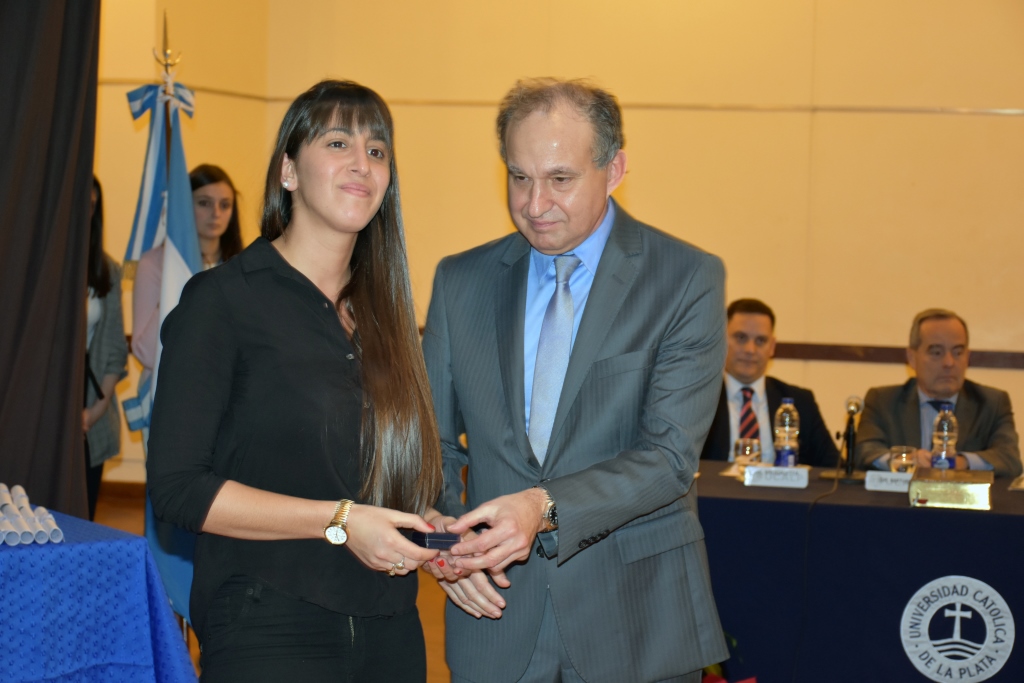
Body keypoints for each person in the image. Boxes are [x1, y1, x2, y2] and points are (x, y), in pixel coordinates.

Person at [421, 78, 729, 683]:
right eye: (519, 177)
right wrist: (449, 545)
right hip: (495, 614)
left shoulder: (685, 278)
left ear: (614, 170)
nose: (535, 204)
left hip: (635, 619)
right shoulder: (461, 281)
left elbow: (669, 458)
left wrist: (543, 507)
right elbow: (429, 443)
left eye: (560, 178)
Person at [147, 80, 444, 681]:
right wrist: (340, 521)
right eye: (337, 143)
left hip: (390, 626)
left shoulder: (388, 317)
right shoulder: (222, 301)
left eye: (377, 151)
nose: (362, 163)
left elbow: (360, 474)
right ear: (288, 171)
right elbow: (178, 488)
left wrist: (423, 524)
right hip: (268, 622)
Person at [855, 308, 1022, 477]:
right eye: (936, 352)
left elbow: (1009, 459)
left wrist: (961, 462)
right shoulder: (883, 401)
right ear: (912, 357)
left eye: (958, 352)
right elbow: (864, 451)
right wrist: (904, 460)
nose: (949, 362)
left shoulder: (992, 403)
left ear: (967, 357)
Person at [131, 163, 243, 379]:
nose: (216, 213)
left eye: (225, 205)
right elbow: (146, 353)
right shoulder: (154, 264)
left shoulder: (242, 266)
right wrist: (175, 283)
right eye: (204, 203)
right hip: (169, 385)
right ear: (183, 204)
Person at [700, 298, 839, 467]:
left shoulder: (800, 402)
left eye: (760, 341)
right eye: (741, 338)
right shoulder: (699, 399)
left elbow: (833, 468)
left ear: (772, 346)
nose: (750, 350)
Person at [83, 176, 128, 520]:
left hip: (90, 406)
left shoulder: (107, 269)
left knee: (82, 514)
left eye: (92, 205)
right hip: (39, 405)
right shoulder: (34, 265)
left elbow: (115, 351)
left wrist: (92, 414)